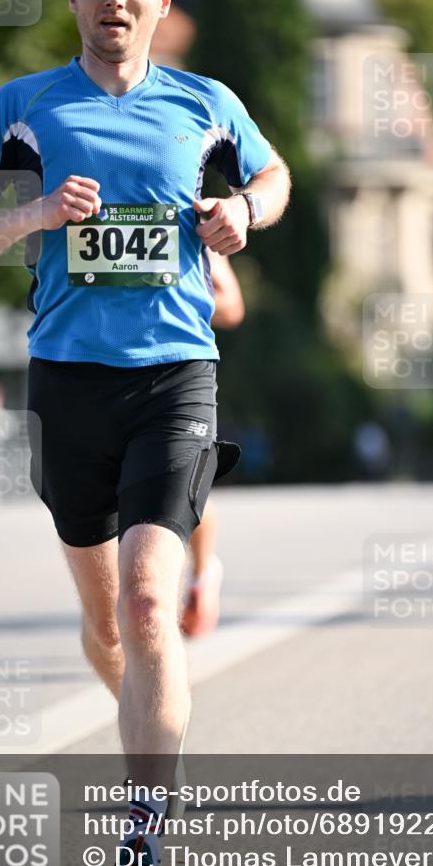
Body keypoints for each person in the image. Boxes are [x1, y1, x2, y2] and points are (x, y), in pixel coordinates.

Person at [0, 0, 291, 866]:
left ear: (160, 4)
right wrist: (34, 215)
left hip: (175, 376)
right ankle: (146, 716)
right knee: (106, 627)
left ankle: (139, 857)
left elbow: (274, 176)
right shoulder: (24, 106)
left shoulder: (206, 104)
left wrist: (244, 216)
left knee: (146, 603)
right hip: (66, 384)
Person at [182, 251, 245, 638]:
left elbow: (233, 306)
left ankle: (203, 573)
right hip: (100, 371)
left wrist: (170, 288)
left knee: (185, 482)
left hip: (181, 368)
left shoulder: (186, 210)